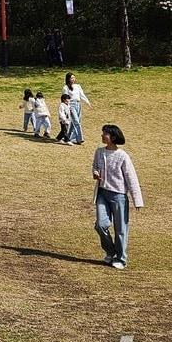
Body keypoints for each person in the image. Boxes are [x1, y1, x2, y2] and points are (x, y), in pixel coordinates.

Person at [92, 124, 144, 270]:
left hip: (118, 195)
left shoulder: (122, 156)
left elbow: (131, 178)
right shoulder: (99, 152)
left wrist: (137, 200)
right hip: (102, 193)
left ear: (113, 137)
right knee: (100, 225)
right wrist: (95, 173)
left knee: (121, 228)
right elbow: (95, 166)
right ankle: (111, 251)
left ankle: (121, 258)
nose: (102, 135)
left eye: (105, 134)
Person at [62, 72, 92, 145]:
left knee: (74, 123)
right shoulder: (65, 88)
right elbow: (65, 98)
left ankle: (68, 137)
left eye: (74, 77)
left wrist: (88, 102)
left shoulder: (78, 86)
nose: (73, 79)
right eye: (71, 78)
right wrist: (66, 108)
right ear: (68, 79)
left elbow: (82, 95)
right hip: (71, 105)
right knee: (76, 122)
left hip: (78, 105)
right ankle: (79, 139)